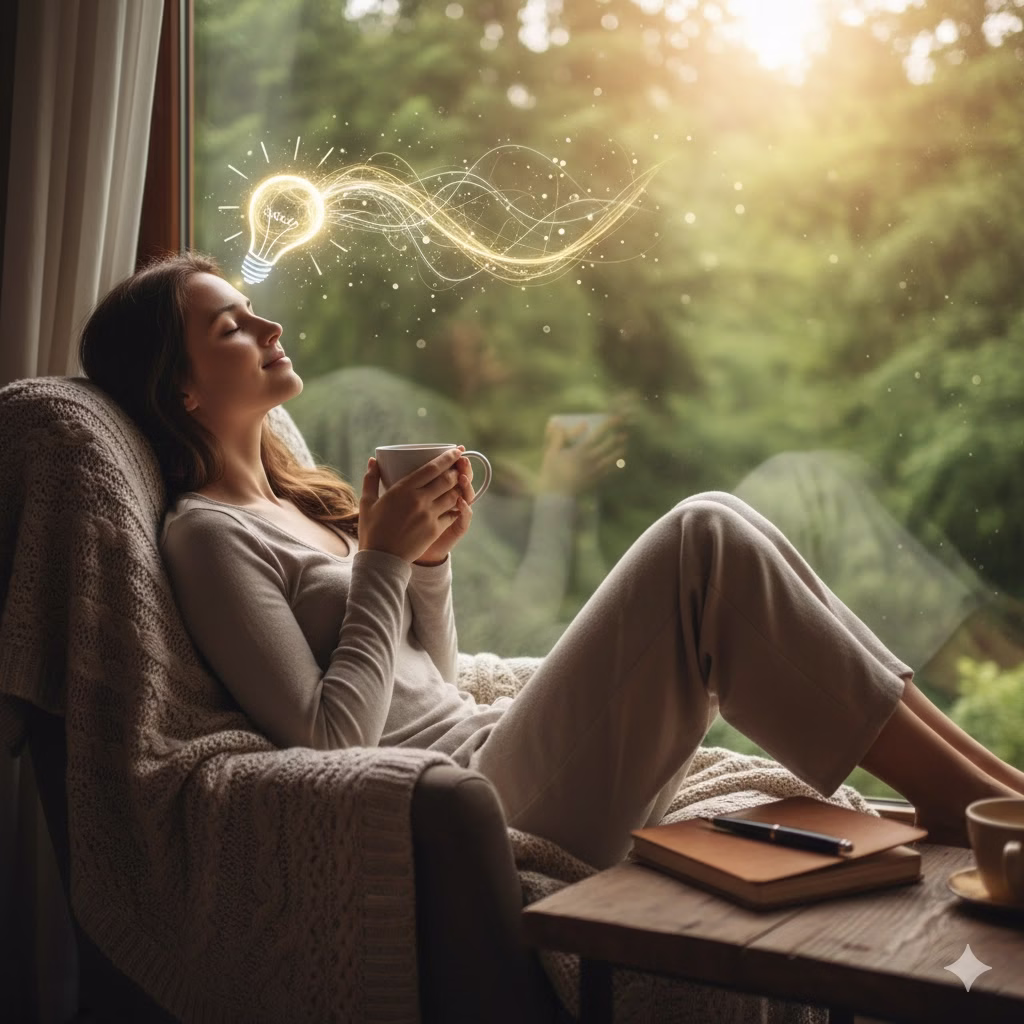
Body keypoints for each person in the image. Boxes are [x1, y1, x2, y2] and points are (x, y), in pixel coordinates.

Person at [78, 251, 1024, 868]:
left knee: (725, 535)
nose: (268, 329)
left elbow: (429, 683)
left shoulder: (299, 504)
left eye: (252, 312)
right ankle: (980, 812)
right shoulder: (205, 535)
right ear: (183, 389)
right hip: (474, 810)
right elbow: (332, 746)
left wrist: (428, 567)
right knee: (706, 535)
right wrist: (380, 564)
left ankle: (996, 799)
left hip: (497, 753)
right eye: (230, 328)